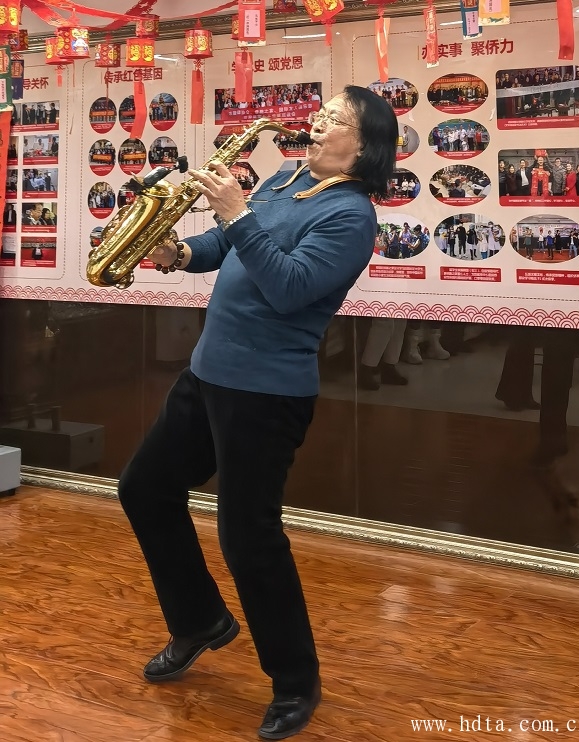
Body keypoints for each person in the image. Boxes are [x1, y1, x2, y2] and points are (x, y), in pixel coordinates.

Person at [117, 85, 398, 740]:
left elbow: (289, 287)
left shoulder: (352, 215)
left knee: (249, 538)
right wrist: (179, 253)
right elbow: (226, 246)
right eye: (321, 113)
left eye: (334, 119)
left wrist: (239, 213)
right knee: (144, 489)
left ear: (365, 146)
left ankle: (296, 681)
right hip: (206, 375)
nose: (317, 122)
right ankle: (200, 621)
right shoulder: (286, 177)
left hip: (267, 394)